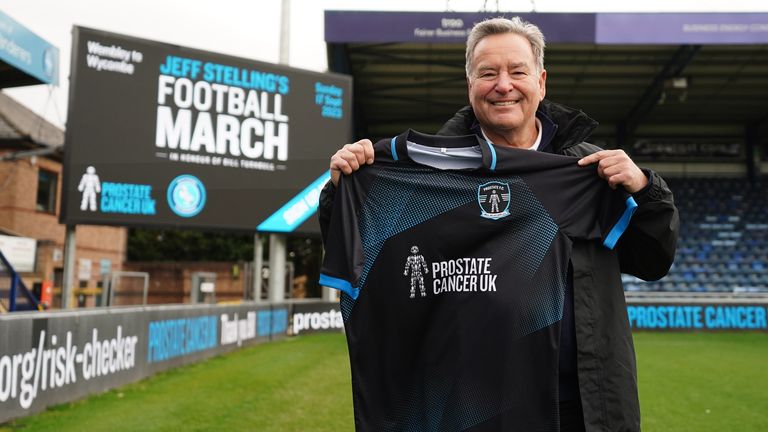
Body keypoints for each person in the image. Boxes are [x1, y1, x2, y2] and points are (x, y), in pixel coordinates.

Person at [319, 17, 678, 432]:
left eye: (517, 71)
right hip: (476, 407)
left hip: (584, 405)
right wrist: (346, 188)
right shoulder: (431, 180)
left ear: (541, 82)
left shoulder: (585, 170)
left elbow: (653, 259)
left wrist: (646, 190)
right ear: (469, 84)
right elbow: (366, 255)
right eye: (488, 73)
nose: (503, 85)